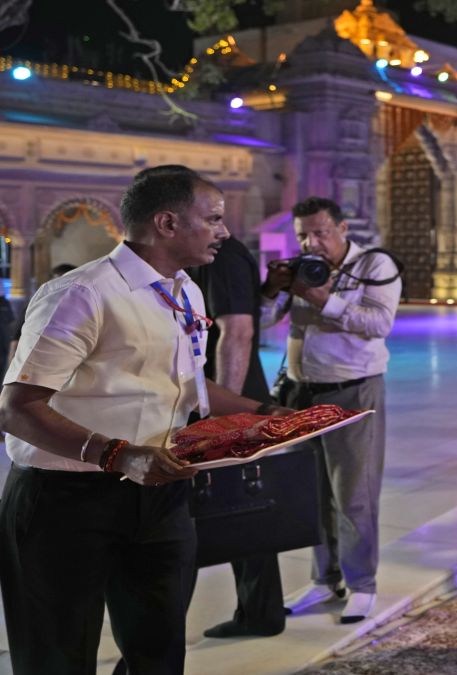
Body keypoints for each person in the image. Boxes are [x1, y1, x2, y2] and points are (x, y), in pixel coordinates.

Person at [0, 165, 285, 674]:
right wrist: (117, 454)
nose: (224, 231)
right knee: (56, 657)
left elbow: (192, 388)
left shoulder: (185, 292)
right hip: (65, 501)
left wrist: (267, 414)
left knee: (157, 652)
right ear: (167, 223)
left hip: (160, 497)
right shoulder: (84, 294)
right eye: (214, 218)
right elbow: (17, 409)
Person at [262, 197, 402, 624]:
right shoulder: (302, 267)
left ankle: (361, 584)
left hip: (353, 392)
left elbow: (380, 322)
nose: (312, 241)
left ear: (343, 228)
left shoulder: (374, 265)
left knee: (353, 494)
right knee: (311, 492)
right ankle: (325, 579)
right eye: (303, 233)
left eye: (320, 232)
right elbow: (265, 319)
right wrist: (273, 288)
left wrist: (323, 300)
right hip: (301, 394)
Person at [189, 235, 289, 638]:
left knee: (237, 510)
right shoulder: (220, 255)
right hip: (231, 399)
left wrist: (225, 415)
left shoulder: (221, 254)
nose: (217, 226)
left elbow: (239, 332)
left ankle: (261, 612)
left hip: (231, 402)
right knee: (242, 511)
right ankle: (260, 611)